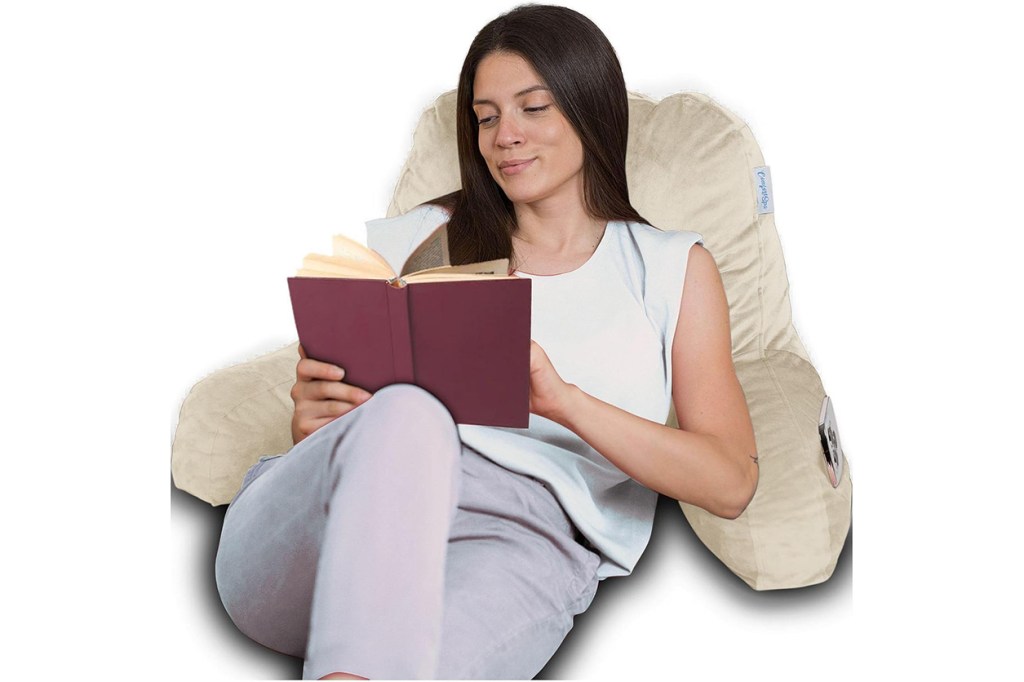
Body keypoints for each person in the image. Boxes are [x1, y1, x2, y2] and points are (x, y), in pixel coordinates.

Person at [214, 4, 758, 679]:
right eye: (487, 116)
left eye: (533, 108)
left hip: (522, 534)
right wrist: (315, 419)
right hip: (330, 523)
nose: (506, 136)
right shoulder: (417, 239)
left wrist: (564, 402)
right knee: (410, 414)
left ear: (591, 107)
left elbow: (731, 482)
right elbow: (345, 428)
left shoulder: (672, 267)